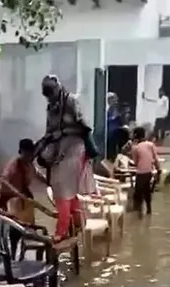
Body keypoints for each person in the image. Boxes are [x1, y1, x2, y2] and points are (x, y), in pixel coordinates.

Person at [35, 75, 96, 243]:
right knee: (66, 189)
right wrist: (40, 147)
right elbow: (49, 131)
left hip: (75, 147)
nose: (50, 97)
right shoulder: (51, 107)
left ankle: (61, 230)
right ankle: (77, 223)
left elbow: (84, 126)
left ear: (58, 88)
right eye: (47, 94)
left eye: (51, 92)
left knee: (61, 186)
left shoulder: (71, 101)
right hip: (58, 148)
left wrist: (63, 132)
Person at [131, 127, 161, 217]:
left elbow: (136, 162)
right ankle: (149, 211)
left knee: (137, 195)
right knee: (147, 192)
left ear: (135, 136)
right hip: (149, 172)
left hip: (140, 173)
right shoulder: (151, 145)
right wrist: (159, 169)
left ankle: (138, 215)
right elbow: (155, 159)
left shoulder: (135, 148)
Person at [106, 92, 125, 162]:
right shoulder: (106, 108)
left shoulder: (114, 108)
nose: (116, 101)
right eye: (114, 99)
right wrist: (114, 118)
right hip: (109, 132)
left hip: (115, 131)